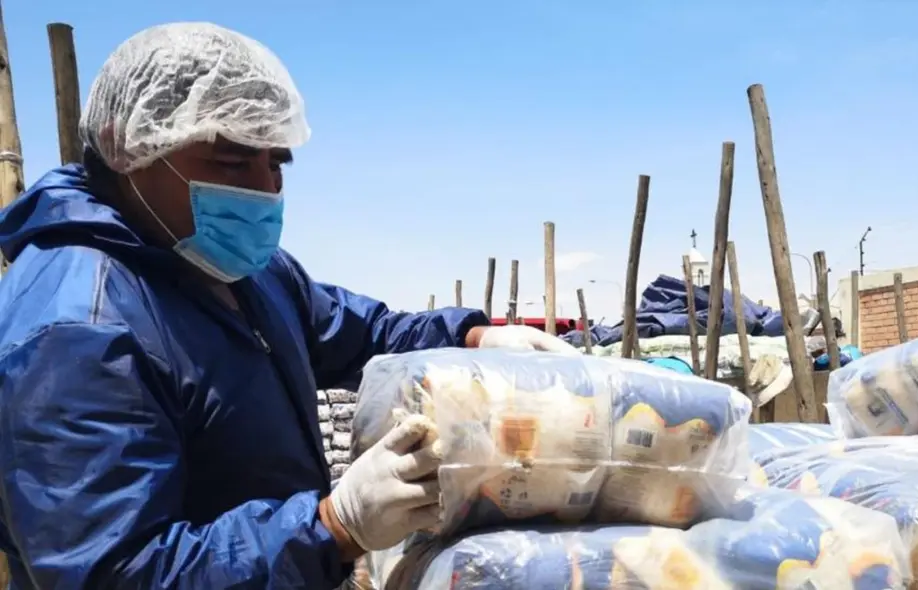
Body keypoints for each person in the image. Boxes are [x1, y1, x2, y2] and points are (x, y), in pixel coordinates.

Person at [0, 22, 578, 590]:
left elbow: (363, 331)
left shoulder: (243, 270)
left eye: (275, 163)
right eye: (231, 164)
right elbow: (112, 572)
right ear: (128, 148)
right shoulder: (76, 328)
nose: (262, 189)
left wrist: (478, 337)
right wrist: (332, 528)